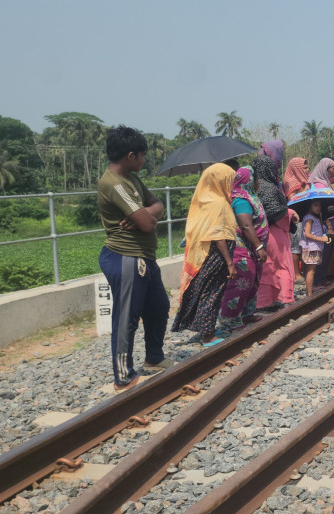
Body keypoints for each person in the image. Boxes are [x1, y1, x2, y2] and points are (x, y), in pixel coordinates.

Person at [96, 126, 169, 391]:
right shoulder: (115, 184)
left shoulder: (132, 178)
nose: (144, 160)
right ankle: (123, 376)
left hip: (144, 257)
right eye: (142, 155)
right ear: (130, 155)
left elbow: (157, 205)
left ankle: (154, 358)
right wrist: (147, 216)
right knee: (127, 317)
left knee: (159, 307)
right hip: (126, 256)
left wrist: (147, 211)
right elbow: (148, 224)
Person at [172, 164, 237, 346]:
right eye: (230, 180)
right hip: (216, 255)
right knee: (212, 292)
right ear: (220, 180)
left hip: (207, 255)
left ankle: (205, 329)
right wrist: (229, 263)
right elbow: (218, 235)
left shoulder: (205, 200)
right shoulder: (218, 203)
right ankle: (208, 335)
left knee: (206, 291)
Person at [219, 166, 269, 331]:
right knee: (242, 282)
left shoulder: (251, 197)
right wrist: (259, 245)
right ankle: (229, 318)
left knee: (253, 281)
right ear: (248, 180)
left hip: (253, 249)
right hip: (243, 248)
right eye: (256, 179)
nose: (258, 182)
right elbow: (246, 225)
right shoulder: (241, 200)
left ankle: (248, 314)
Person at [254, 154, 298, 311]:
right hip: (275, 233)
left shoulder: (253, 188)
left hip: (258, 234)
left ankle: (263, 301)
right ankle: (285, 297)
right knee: (282, 266)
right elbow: (278, 213)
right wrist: (291, 215)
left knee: (266, 268)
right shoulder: (272, 188)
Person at [284, 157, 310, 282]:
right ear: (296, 168)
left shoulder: (304, 181)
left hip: (304, 217)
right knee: (295, 247)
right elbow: (291, 201)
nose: (307, 170)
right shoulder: (291, 181)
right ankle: (296, 274)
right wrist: (304, 191)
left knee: (303, 245)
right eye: (304, 168)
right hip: (295, 219)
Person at [300, 199, 332, 296]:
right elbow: (307, 234)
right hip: (311, 247)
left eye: (319, 206)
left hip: (315, 247)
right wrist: (321, 239)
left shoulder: (316, 217)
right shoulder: (310, 218)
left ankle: (309, 291)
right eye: (315, 205)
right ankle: (309, 293)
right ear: (310, 206)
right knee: (311, 270)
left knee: (311, 270)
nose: (318, 208)